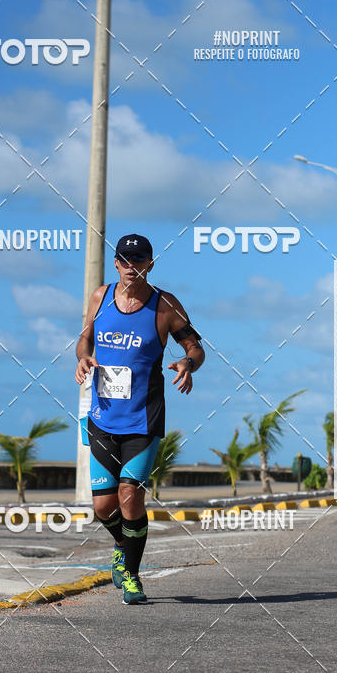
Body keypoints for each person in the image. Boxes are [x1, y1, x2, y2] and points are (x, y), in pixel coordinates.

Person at [75, 235, 205, 604]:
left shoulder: (165, 306)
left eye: (139, 259)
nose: (131, 266)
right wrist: (82, 357)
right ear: (116, 263)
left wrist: (188, 363)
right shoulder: (100, 298)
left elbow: (195, 347)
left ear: (150, 264)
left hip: (143, 419)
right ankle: (122, 544)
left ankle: (132, 576)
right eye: (125, 259)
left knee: (130, 497)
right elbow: (84, 339)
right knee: (104, 507)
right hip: (102, 417)